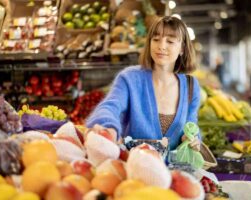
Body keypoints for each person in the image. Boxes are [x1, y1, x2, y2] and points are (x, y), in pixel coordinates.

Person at [86, 16, 201, 150]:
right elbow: (110, 106)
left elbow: (191, 125)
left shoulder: (191, 86)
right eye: (156, 39)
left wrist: (192, 138)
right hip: (134, 165)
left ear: (182, 49)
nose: (161, 46)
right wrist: (107, 127)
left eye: (170, 41)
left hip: (173, 169)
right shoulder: (129, 78)